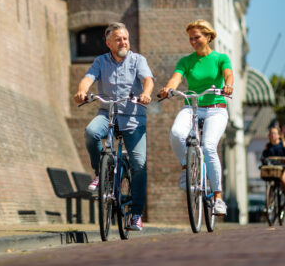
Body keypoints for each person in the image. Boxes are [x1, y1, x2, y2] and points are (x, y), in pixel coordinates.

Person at [74, 22, 154, 231]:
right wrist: (82, 91)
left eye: (125, 38)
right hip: (107, 113)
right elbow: (87, 79)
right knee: (91, 132)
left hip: (133, 117)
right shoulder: (100, 61)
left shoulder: (138, 60)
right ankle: (101, 172)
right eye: (118, 39)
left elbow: (147, 79)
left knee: (138, 164)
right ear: (109, 42)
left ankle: (136, 214)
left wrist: (146, 93)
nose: (123, 42)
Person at [158, 19, 233, 216]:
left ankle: (218, 198)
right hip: (192, 107)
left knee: (208, 146)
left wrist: (228, 85)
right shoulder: (186, 61)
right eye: (190, 38)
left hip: (216, 108)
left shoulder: (220, 58)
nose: (193, 41)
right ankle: (186, 167)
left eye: (197, 37)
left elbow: (228, 74)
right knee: (176, 133)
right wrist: (169, 88)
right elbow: (177, 77)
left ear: (208, 37)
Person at [260, 126, 285, 204]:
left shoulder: (283, 144)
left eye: (274, 133)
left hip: (284, 167)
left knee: (283, 179)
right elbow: (264, 155)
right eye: (271, 133)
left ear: (279, 135)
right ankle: (270, 202)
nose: (273, 135)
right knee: (270, 181)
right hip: (273, 168)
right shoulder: (268, 146)